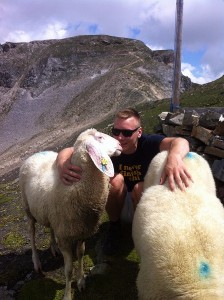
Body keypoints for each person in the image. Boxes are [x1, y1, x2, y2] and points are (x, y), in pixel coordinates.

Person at [56, 108, 192, 255]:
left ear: (139, 132)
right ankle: (115, 227)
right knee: (116, 181)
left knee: (140, 187)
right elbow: (73, 149)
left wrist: (175, 157)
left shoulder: (150, 143)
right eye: (116, 131)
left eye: (127, 133)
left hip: (144, 202)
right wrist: (62, 164)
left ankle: (142, 230)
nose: (120, 137)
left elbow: (181, 141)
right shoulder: (110, 146)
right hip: (118, 204)